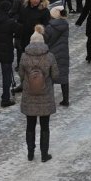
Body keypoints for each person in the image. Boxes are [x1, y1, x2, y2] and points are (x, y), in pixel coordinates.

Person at [19, 29, 59, 162]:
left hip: (29, 95)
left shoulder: (24, 56)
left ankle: (30, 153)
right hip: (45, 95)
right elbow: (55, 75)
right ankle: (44, 154)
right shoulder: (49, 56)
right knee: (44, 125)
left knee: (30, 125)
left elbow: (21, 74)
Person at [16, 0, 51, 73]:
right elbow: (20, 22)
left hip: (37, 42)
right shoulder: (24, 8)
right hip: (25, 40)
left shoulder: (44, 10)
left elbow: (47, 26)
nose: (36, 0)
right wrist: (17, 37)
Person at [44, 6, 70, 106]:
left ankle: (50, 100)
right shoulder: (65, 24)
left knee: (50, 77)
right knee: (64, 75)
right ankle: (66, 99)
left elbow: (46, 40)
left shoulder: (49, 27)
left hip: (52, 54)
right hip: (63, 53)